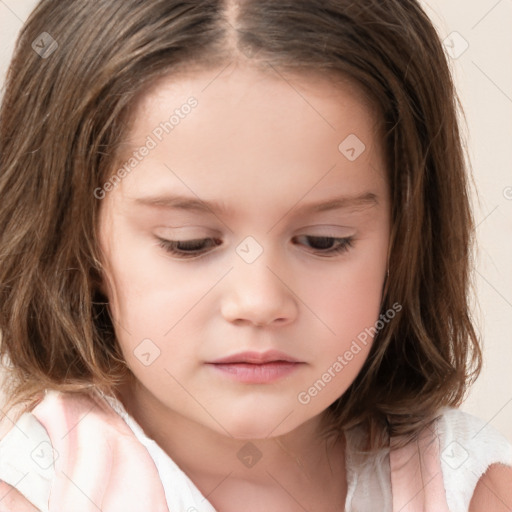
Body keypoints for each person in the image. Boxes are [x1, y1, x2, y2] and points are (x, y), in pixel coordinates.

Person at [0, 0, 510, 510]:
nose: (260, 302)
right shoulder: (33, 490)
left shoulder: (470, 488)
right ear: (80, 243)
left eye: (324, 240)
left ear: (405, 236)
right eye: (189, 242)